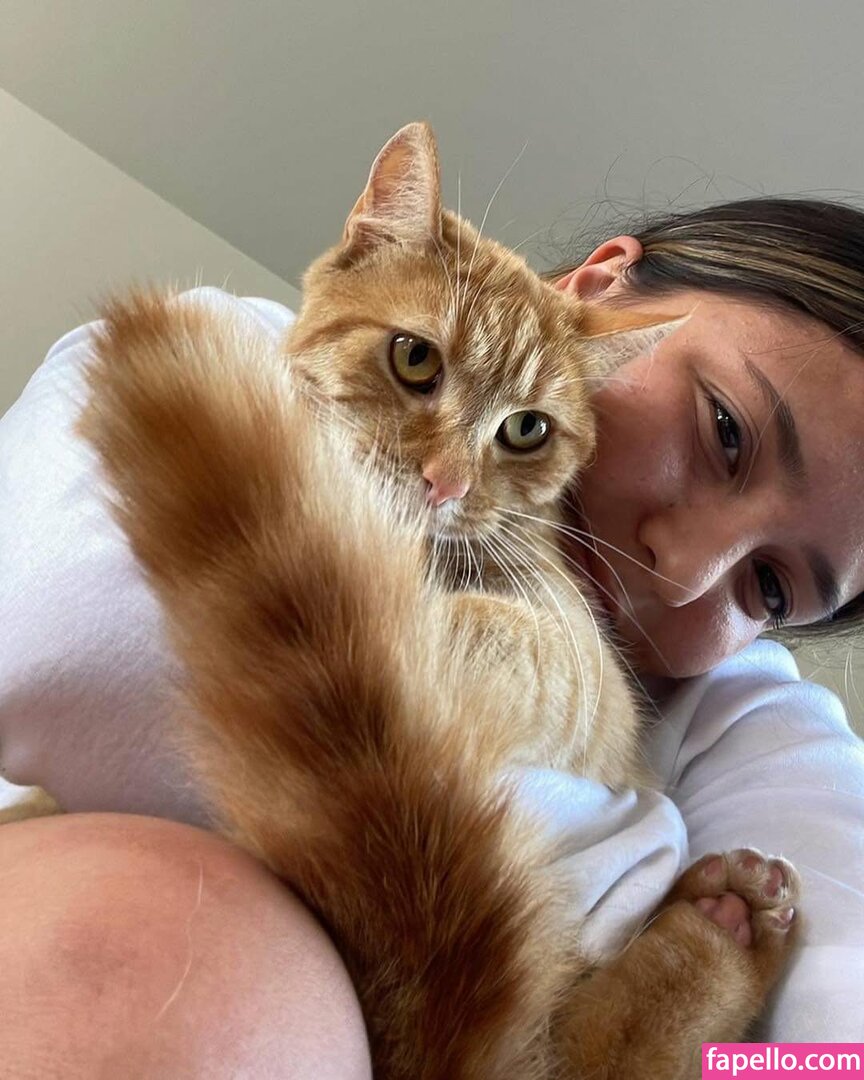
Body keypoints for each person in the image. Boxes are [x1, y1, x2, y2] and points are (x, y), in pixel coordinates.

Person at [1, 197, 862, 1076]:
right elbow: (71, 656)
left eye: (770, 586)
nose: (681, 569)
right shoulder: (242, 343)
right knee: (150, 943)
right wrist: (620, 853)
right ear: (601, 287)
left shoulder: (746, 710)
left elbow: (838, 1027)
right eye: (725, 431)